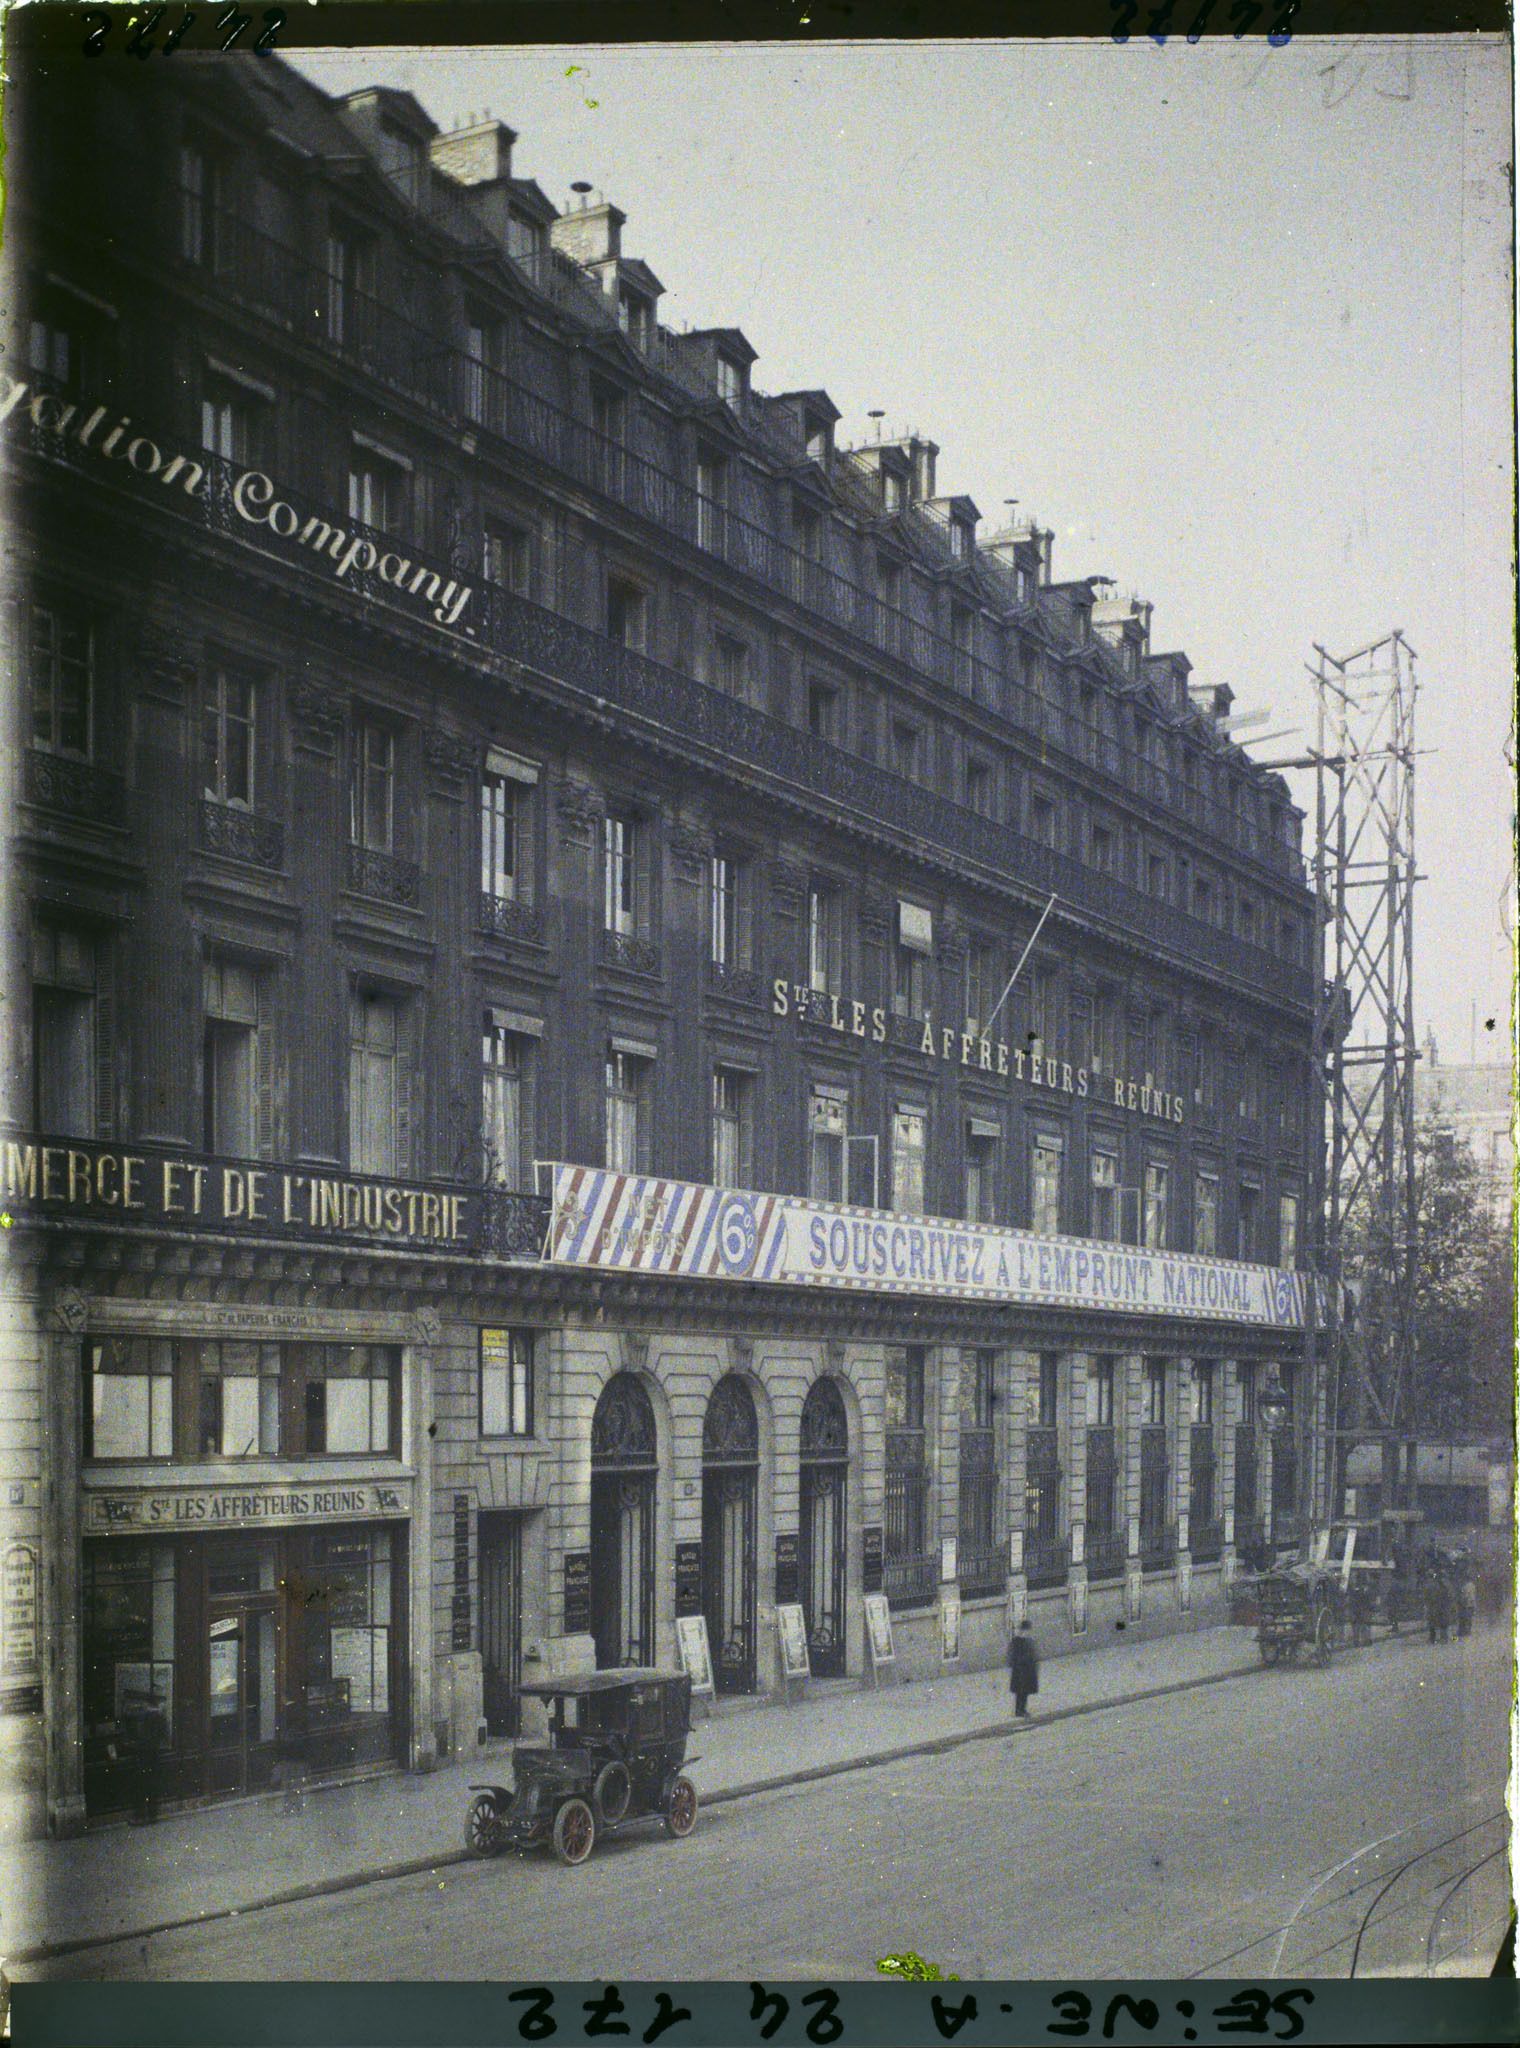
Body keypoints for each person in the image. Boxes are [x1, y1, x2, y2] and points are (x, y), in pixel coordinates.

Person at [1007, 1618, 1039, 1719]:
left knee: (1024, 1692)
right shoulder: (1018, 1641)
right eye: (1027, 1630)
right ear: (1024, 1630)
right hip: (1021, 1671)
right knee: (1021, 1692)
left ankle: (1021, 1710)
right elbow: (1013, 1656)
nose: (1029, 1632)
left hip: (1027, 1671)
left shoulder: (1027, 1640)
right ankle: (1020, 1711)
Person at [1457, 1559, 1477, 1638]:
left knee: (1464, 1617)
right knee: (1469, 1618)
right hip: (1471, 1603)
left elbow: (1465, 1595)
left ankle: (1464, 1631)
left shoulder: (1465, 1586)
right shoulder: (1472, 1585)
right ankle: (1468, 1631)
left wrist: (1463, 1601)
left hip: (1466, 1604)